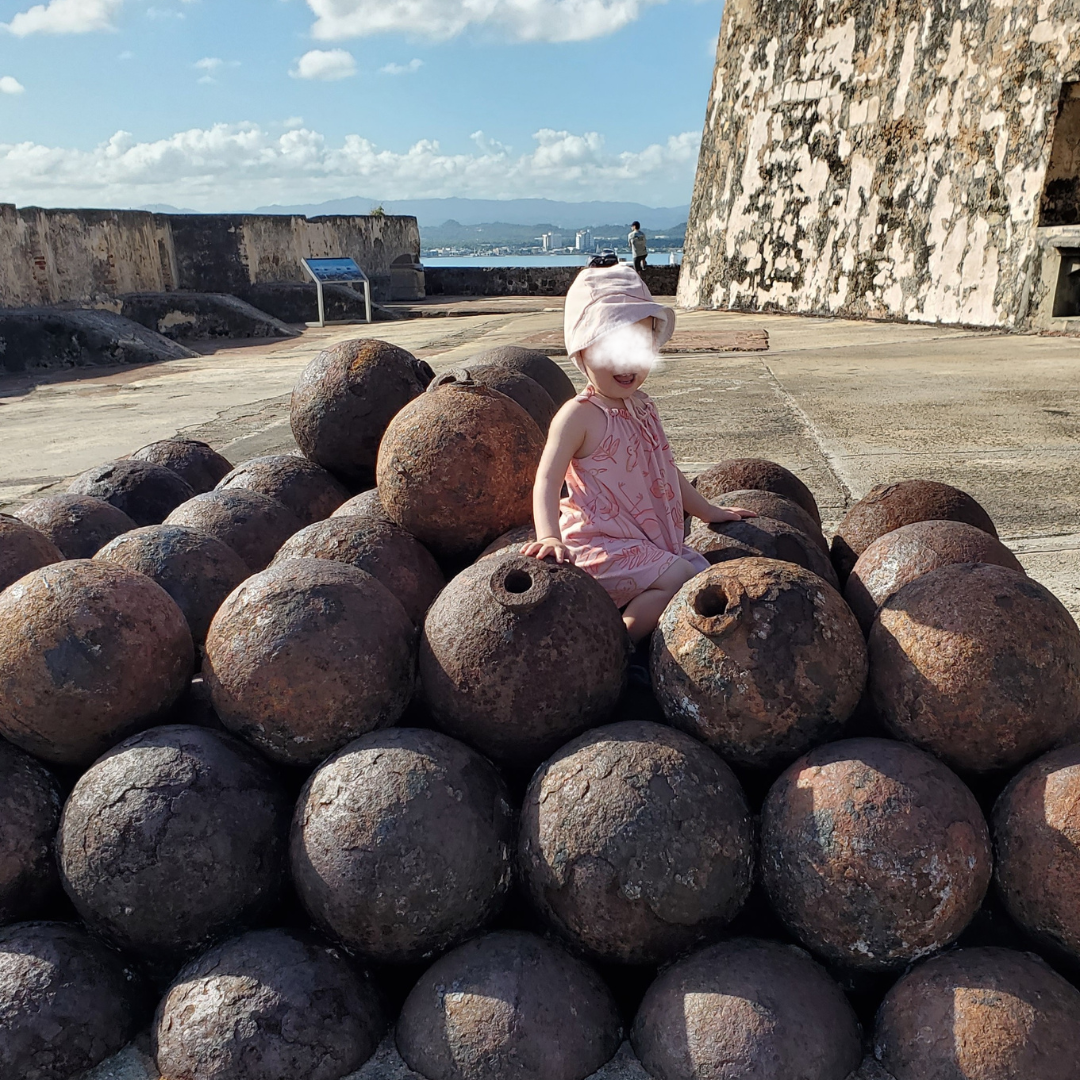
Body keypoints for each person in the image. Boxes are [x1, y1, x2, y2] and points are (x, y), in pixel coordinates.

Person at [522, 265, 755, 644]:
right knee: (678, 577)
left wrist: (709, 511)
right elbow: (547, 480)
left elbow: (665, 470)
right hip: (599, 545)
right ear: (581, 348)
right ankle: (620, 646)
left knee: (697, 572)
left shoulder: (644, 407)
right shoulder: (578, 416)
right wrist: (550, 537)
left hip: (645, 542)